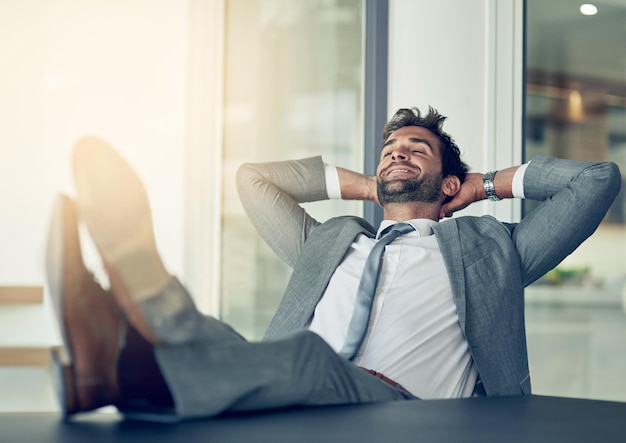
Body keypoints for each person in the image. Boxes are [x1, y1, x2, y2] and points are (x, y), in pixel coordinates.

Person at [47, 107, 621, 422]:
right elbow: (255, 181)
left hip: (405, 415)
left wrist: (483, 187)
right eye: (389, 150)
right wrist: (370, 186)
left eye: (416, 149)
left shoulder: (491, 252)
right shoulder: (329, 243)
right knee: (230, 342)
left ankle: (135, 313)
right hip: (292, 402)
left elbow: (597, 183)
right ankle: (111, 362)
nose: (398, 152)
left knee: (302, 358)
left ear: (447, 181)